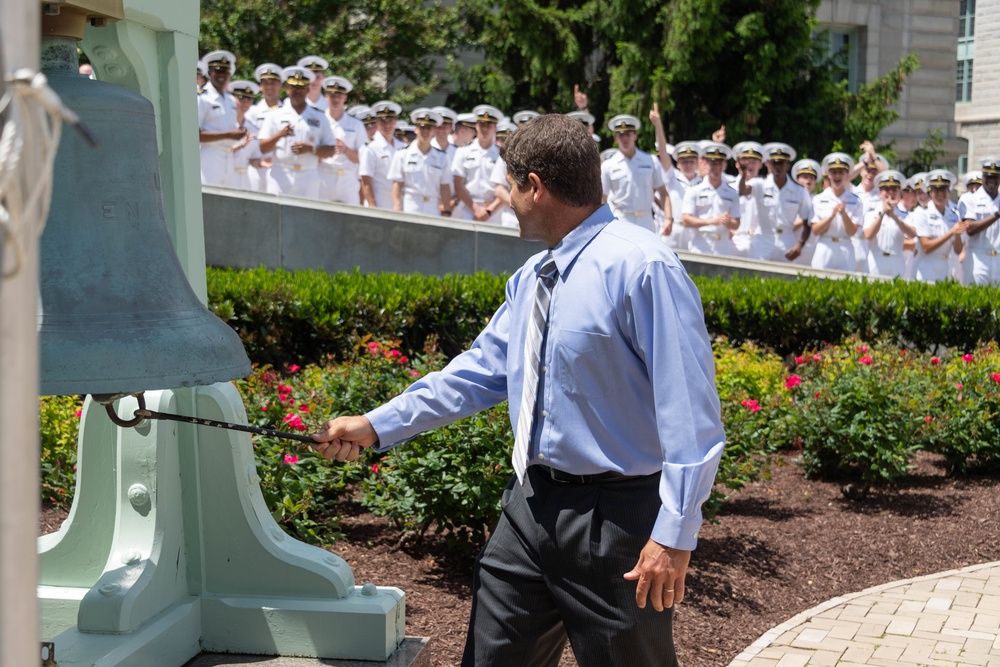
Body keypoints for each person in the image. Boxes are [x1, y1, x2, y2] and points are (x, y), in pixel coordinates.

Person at [310, 114, 725, 667]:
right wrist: (376, 424)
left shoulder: (643, 266)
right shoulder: (533, 277)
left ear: (535, 185)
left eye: (508, 184)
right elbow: (478, 371)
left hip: (619, 522)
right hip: (530, 506)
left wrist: (675, 535)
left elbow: (691, 413)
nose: (503, 197)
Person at [257, 66, 336, 199]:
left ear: (308, 90)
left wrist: (311, 149)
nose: (297, 91)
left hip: (308, 176)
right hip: (280, 175)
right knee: (276, 217)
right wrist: (279, 135)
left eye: (301, 88)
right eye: (293, 87)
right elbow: (262, 148)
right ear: (287, 89)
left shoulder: (319, 117)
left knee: (307, 217)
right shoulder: (275, 114)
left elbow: (331, 149)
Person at [738, 143, 813, 262]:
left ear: (787, 166)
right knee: (756, 277)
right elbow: (743, 191)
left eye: (781, 163)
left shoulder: (798, 191)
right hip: (763, 238)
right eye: (774, 163)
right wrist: (743, 176)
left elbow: (807, 222)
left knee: (784, 279)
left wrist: (800, 245)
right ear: (769, 164)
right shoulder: (760, 184)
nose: (777, 167)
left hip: (786, 239)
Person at [600, 114, 668, 233]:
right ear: (615, 139)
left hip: (646, 219)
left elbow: (663, 192)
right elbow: (602, 198)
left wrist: (669, 218)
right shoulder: (608, 165)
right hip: (620, 219)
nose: (625, 139)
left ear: (635, 136)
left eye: (628, 134)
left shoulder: (650, 160)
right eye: (620, 135)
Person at [388, 108, 452, 217]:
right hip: (410, 206)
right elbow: (397, 185)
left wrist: (447, 211)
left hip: (432, 208)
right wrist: (397, 209)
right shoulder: (403, 154)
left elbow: (445, 187)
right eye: (422, 128)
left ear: (434, 131)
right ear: (416, 129)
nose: (425, 132)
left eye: (429, 128)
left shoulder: (442, 157)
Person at [197, 50, 245, 187]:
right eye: (217, 71)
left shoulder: (230, 100)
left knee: (228, 202)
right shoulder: (202, 98)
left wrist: (239, 133)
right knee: (208, 201)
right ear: (209, 73)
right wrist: (228, 135)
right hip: (209, 156)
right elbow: (195, 134)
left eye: (225, 72)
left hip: (229, 157)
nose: (221, 75)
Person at [682, 142, 740, 256]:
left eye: (719, 164)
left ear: (724, 166)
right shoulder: (694, 190)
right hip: (701, 243)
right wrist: (712, 222)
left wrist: (728, 223)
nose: (716, 168)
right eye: (713, 163)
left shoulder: (732, 194)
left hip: (723, 245)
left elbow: (737, 224)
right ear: (705, 164)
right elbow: (686, 220)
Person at [809, 153, 863, 272]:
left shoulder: (856, 201)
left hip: (846, 247)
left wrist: (844, 215)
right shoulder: (818, 199)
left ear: (847, 175)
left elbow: (852, 231)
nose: (837, 176)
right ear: (828, 174)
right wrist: (832, 216)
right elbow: (816, 230)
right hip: (824, 245)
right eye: (834, 172)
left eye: (841, 172)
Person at [452, 104, 504, 223]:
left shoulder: (502, 155)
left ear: (495, 128)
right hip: (467, 209)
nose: (485, 129)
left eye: (489, 125)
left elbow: (506, 187)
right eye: (481, 124)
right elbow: (458, 185)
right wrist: (475, 209)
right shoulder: (462, 152)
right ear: (476, 126)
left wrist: (489, 211)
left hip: (494, 212)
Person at [912, 169, 965, 283]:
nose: (940, 194)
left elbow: (958, 250)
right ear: (930, 192)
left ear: (948, 192)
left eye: (943, 190)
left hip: (947, 267)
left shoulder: (953, 215)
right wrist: (951, 232)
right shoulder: (922, 212)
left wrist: (956, 236)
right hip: (928, 267)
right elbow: (926, 247)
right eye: (936, 190)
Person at [318, 76, 366, 205]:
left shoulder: (356, 125)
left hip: (348, 179)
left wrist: (345, 150)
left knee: (350, 222)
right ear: (326, 96)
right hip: (323, 175)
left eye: (339, 96)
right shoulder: (319, 120)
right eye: (332, 95)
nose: (336, 100)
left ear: (345, 98)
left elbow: (363, 159)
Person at [863, 170, 915, 278]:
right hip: (876, 260)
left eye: (894, 190)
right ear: (880, 193)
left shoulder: (905, 215)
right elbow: (868, 235)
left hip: (896, 261)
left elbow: (913, 234)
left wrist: (895, 217)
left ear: (899, 194)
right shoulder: (871, 213)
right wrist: (882, 214)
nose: (890, 193)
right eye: (886, 189)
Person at [959, 158, 1000, 284]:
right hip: (977, 259)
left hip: (998, 259)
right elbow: (969, 228)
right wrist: (997, 214)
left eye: (995, 177)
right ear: (982, 178)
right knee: (975, 301)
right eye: (988, 177)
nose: (992, 181)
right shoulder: (969, 198)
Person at [359, 100, 406, 209]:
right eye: (383, 121)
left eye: (391, 121)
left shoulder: (402, 147)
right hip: (379, 200)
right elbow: (366, 181)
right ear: (377, 122)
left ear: (396, 122)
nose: (387, 125)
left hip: (400, 202)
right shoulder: (370, 148)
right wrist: (373, 207)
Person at [246, 63, 285, 192]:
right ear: (260, 87)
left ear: (280, 85)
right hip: (256, 167)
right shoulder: (252, 112)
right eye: (266, 83)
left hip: (280, 167)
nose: (269, 87)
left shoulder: (286, 112)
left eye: (273, 83)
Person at [729, 141, 766, 256]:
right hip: (734, 238)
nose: (749, 165)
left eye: (754, 162)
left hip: (759, 239)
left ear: (760, 164)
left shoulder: (766, 187)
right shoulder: (728, 185)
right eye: (746, 161)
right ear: (737, 164)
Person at [228, 80, 262, 191]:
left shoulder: (253, 128)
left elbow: (253, 158)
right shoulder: (225, 124)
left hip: (246, 178)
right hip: (227, 174)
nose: (245, 103)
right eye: (241, 99)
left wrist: (263, 162)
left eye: (249, 99)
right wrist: (240, 146)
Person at [790, 159, 821, 265]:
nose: (809, 181)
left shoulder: (819, 201)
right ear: (797, 180)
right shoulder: (790, 200)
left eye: (812, 178)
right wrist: (805, 219)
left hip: (812, 248)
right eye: (805, 177)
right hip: (792, 244)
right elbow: (787, 226)